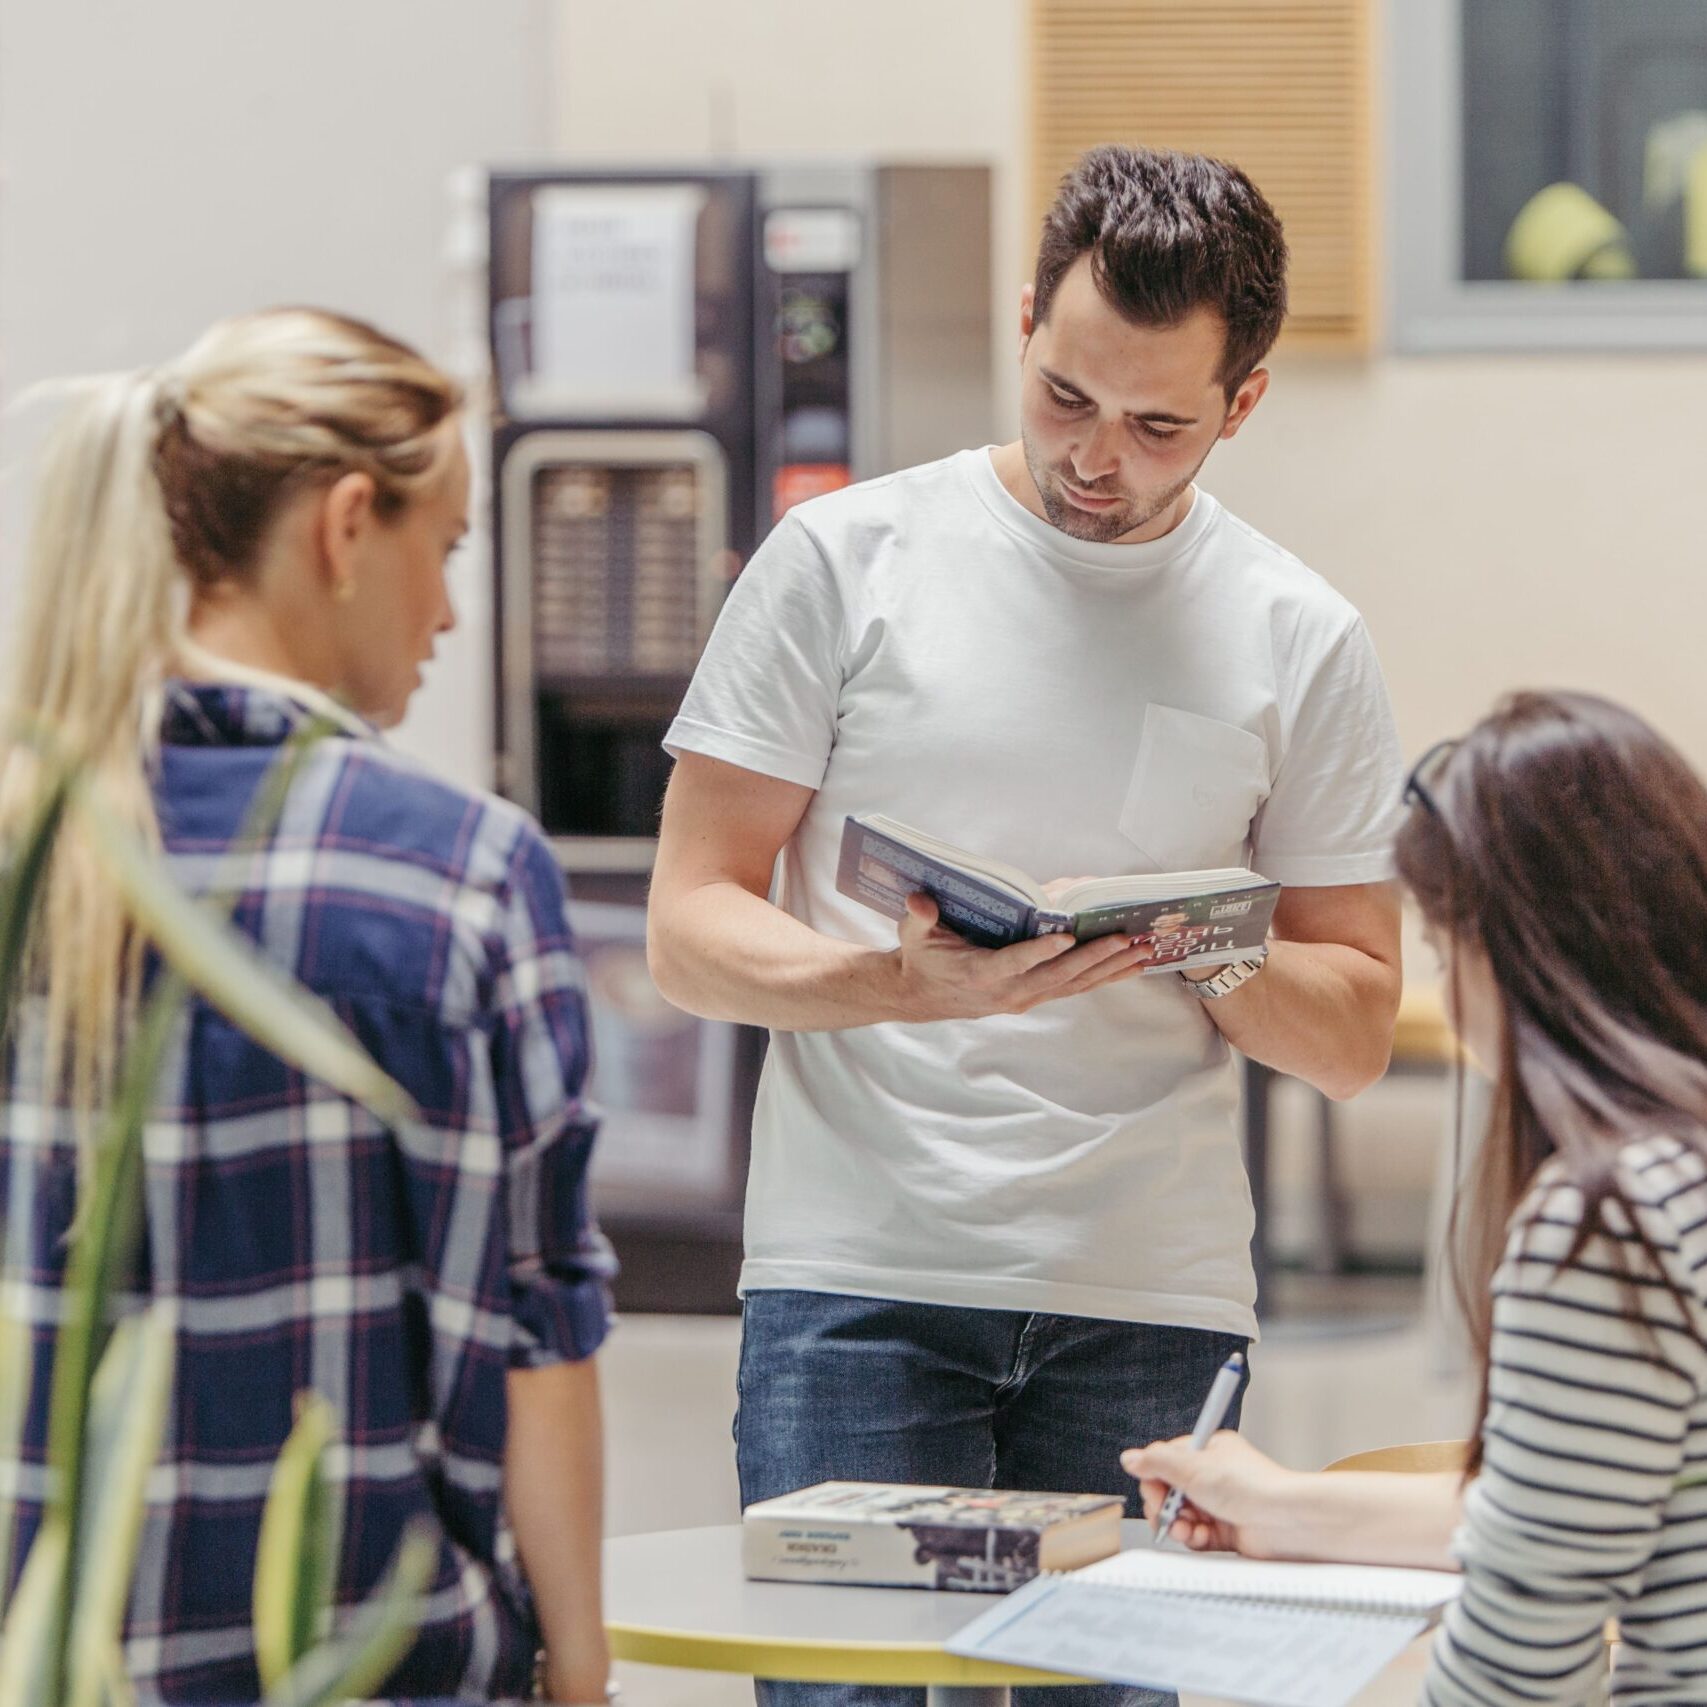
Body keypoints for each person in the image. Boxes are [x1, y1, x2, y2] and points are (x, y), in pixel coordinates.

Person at [647, 145, 1405, 1707]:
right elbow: (687, 924)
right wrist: (897, 982)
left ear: (1241, 405)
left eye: (1155, 424)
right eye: (1064, 395)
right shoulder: (842, 562)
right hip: (855, 1280)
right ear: (1021, 323)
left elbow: (1349, 1033)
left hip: (1144, 1296)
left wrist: (1204, 943)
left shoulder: (1297, 634)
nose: (1094, 457)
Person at [0, 309, 615, 1705]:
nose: (446, 611)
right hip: (371, 1669)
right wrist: (581, 1672)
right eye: (445, 546)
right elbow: (537, 1336)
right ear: (347, 527)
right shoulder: (461, 876)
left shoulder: (31, 852)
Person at [1125, 690, 1707, 1706]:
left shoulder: (1605, 1220)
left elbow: (1519, 1665)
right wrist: (1282, 1505)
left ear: (1513, 948)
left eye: (1441, 948)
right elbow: (1567, 1506)